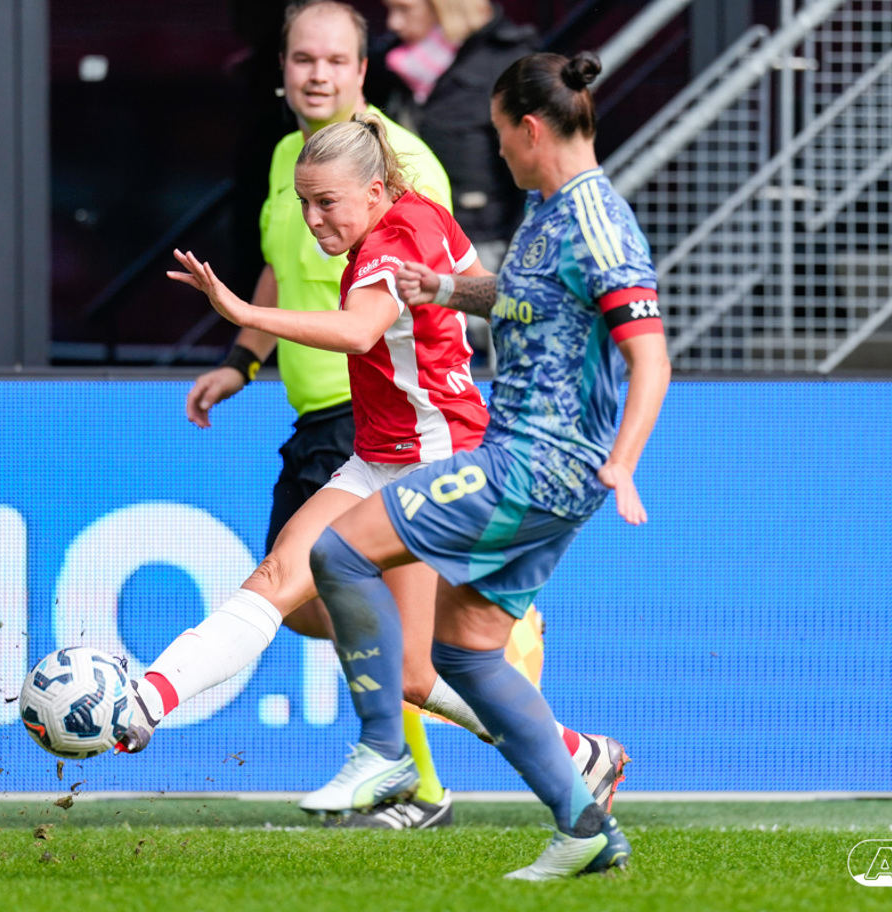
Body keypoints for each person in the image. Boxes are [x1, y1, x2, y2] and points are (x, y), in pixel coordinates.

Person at [123, 0, 626, 828]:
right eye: (305, 204)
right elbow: (475, 284)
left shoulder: (394, 233)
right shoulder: (394, 211)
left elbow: (360, 329)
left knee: (408, 664)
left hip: (437, 461)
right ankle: (145, 701)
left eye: (327, 205)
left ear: (376, 187)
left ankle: (528, 755)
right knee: (292, 587)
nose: (314, 221)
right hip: (378, 450)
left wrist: (236, 310)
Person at [302, 51, 670, 880]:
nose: (496, 150)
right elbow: (522, 300)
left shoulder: (599, 224)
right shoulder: (548, 208)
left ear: (530, 130)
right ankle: (585, 828)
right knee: (466, 652)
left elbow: (649, 357)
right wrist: (441, 289)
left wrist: (625, 461)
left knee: (339, 550)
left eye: (499, 134)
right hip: (535, 460)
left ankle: (383, 752)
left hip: (537, 463)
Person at [369, 0, 538, 369]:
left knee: (484, 367)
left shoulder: (506, 62)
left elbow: (534, 174)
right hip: (414, 245)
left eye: (404, 9)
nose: (393, 23)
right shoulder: (392, 67)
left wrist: (518, 262)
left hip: (485, 247)